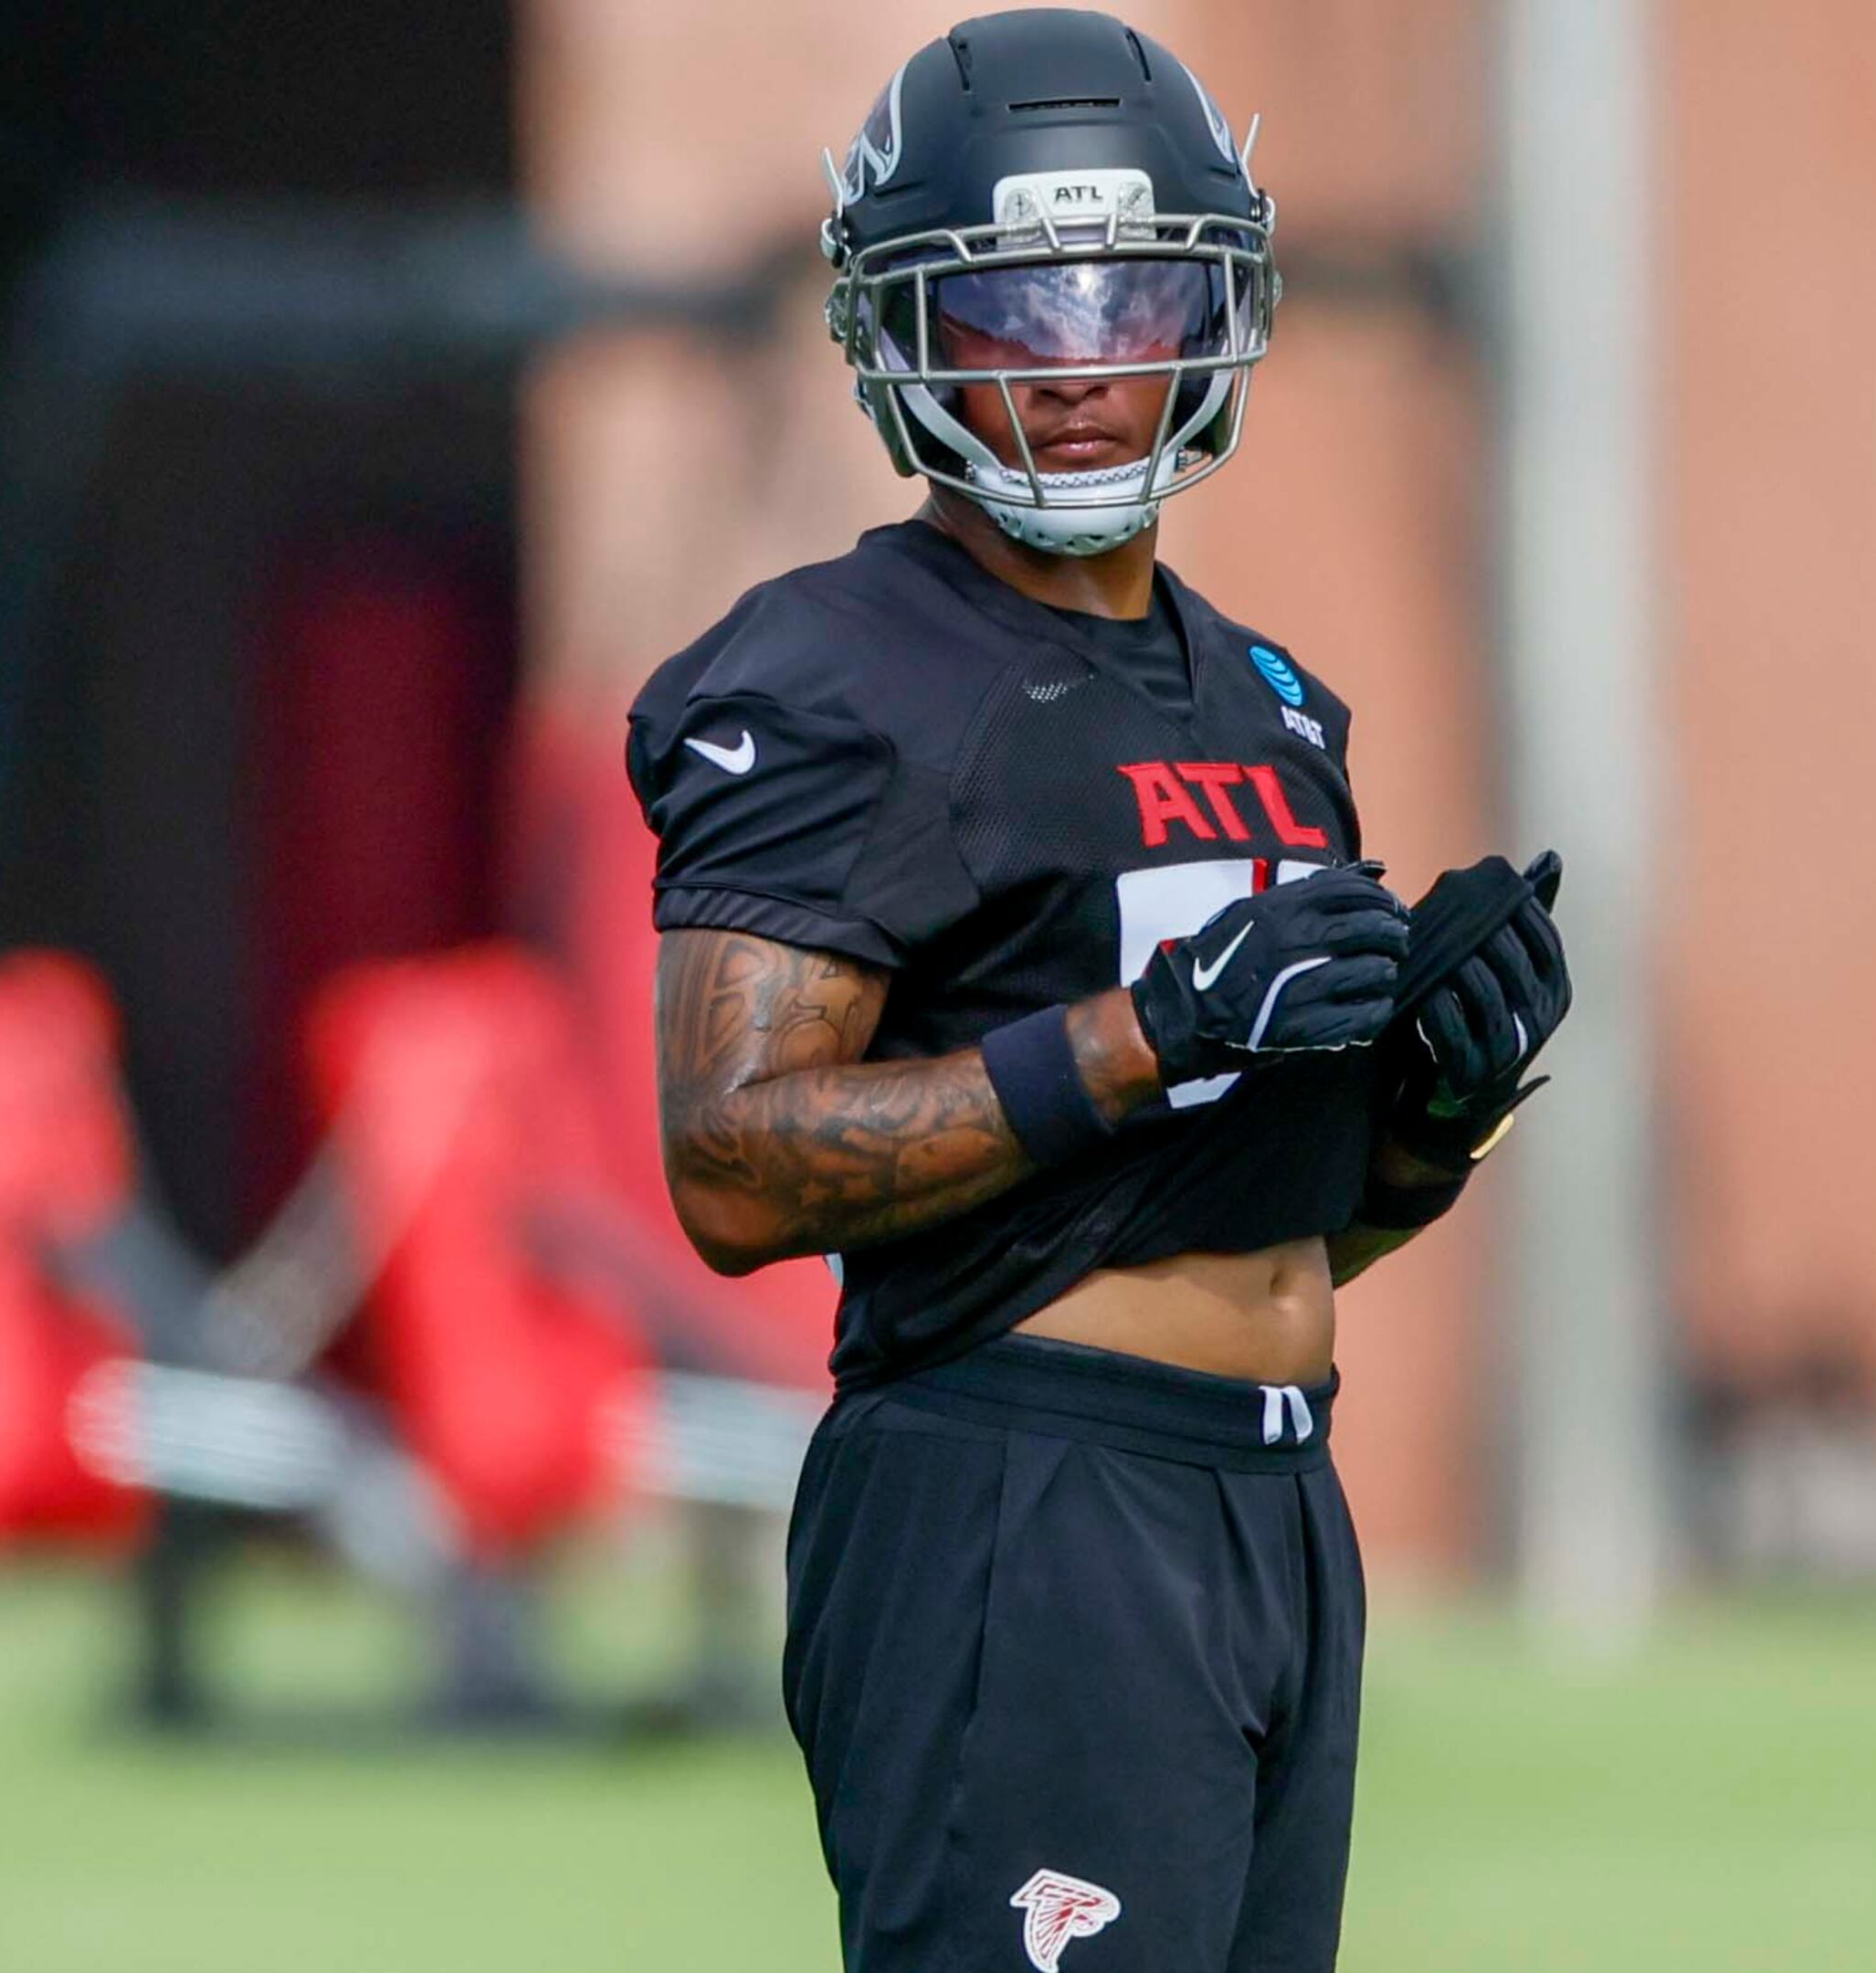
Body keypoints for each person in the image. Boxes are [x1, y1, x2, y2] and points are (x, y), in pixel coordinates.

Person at [626, 12, 1573, 1971]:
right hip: (1018, 1494)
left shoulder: (1271, 700)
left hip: (1271, 1509)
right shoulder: (839, 674)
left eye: (1130, 297)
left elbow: (1262, 1223)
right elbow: (730, 1163)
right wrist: (1157, 1032)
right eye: (1011, 311)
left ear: (1216, 306)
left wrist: (1426, 1115)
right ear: (901, 330)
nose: (1080, 366)